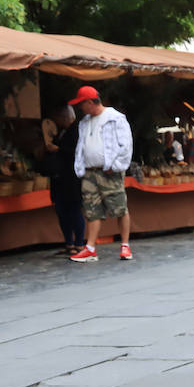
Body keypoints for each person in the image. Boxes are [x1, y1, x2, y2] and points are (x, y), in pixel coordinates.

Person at [66, 86, 134, 264]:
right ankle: (90, 248)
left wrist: (116, 165)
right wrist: (80, 167)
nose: (80, 108)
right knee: (91, 209)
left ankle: (125, 245)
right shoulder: (85, 122)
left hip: (108, 171)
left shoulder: (115, 118)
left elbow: (126, 145)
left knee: (119, 207)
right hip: (90, 171)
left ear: (89, 102)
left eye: (81, 104)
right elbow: (81, 145)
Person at [43, 105, 85, 256]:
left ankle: (79, 243)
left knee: (74, 210)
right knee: (62, 212)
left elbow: (77, 152)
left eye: (61, 118)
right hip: (60, 177)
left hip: (72, 178)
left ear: (68, 118)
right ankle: (68, 242)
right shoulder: (61, 131)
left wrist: (58, 150)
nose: (59, 121)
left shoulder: (77, 131)